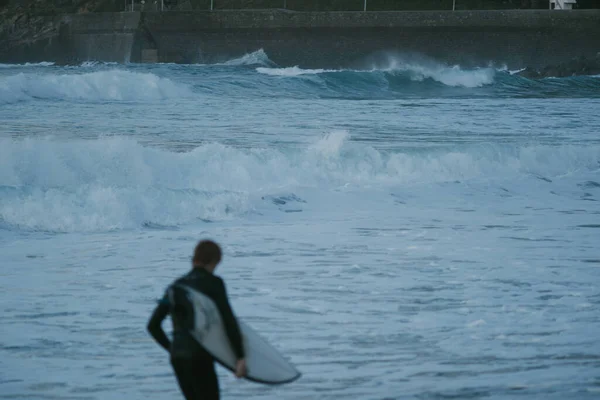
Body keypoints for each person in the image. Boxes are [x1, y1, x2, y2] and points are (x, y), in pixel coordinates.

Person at [147, 239, 246, 400]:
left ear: (194, 259)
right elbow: (228, 321)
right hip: (200, 354)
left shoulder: (175, 286)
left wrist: (172, 348)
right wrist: (240, 357)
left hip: (178, 357)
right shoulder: (214, 283)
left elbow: (152, 326)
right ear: (215, 260)